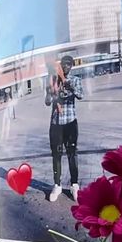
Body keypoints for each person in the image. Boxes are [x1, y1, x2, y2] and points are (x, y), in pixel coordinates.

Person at [45, 55, 83, 202]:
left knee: (72, 154)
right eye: (63, 64)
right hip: (55, 123)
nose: (66, 66)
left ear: (72, 66)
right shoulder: (53, 80)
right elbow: (47, 102)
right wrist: (49, 93)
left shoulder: (75, 80)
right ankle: (57, 185)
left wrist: (68, 85)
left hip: (70, 122)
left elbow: (81, 95)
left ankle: (74, 185)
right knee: (56, 155)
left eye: (69, 64)